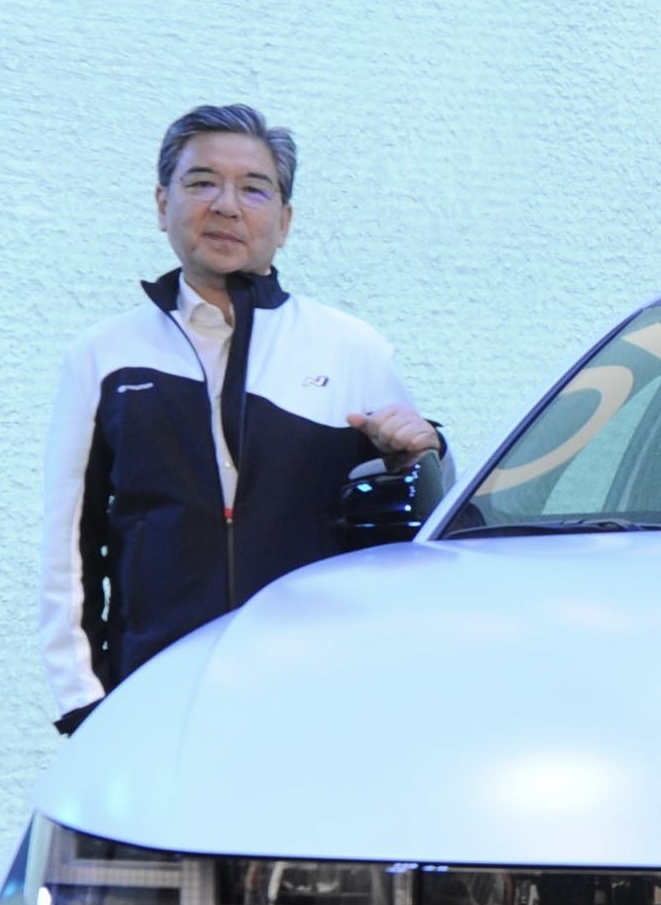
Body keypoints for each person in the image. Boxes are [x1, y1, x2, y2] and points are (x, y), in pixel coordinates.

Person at [40, 105, 438, 733]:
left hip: (316, 691)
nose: (226, 206)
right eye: (202, 182)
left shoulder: (350, 348)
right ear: (162, 203)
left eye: (254, 188)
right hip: (154, 690)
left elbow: (415, 531)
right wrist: (83, 701)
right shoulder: (104, 356)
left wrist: (422, 449)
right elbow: (70, 543)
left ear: (284, 221)